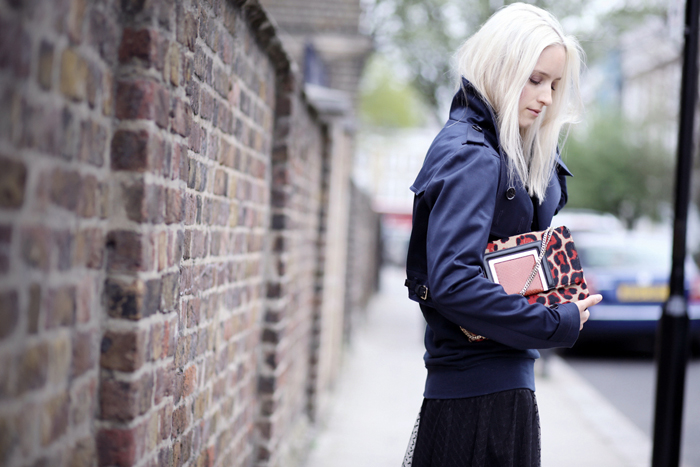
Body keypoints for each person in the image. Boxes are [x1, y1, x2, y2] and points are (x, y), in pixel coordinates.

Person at [401, 3, 603, 466]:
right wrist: (557, 322)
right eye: (535, 79)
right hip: (476, 399)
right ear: (501, 68)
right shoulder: (474, 155)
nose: (548, 97)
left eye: (554, 84)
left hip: (496, 389)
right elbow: (454, 283)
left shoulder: (499, 150)